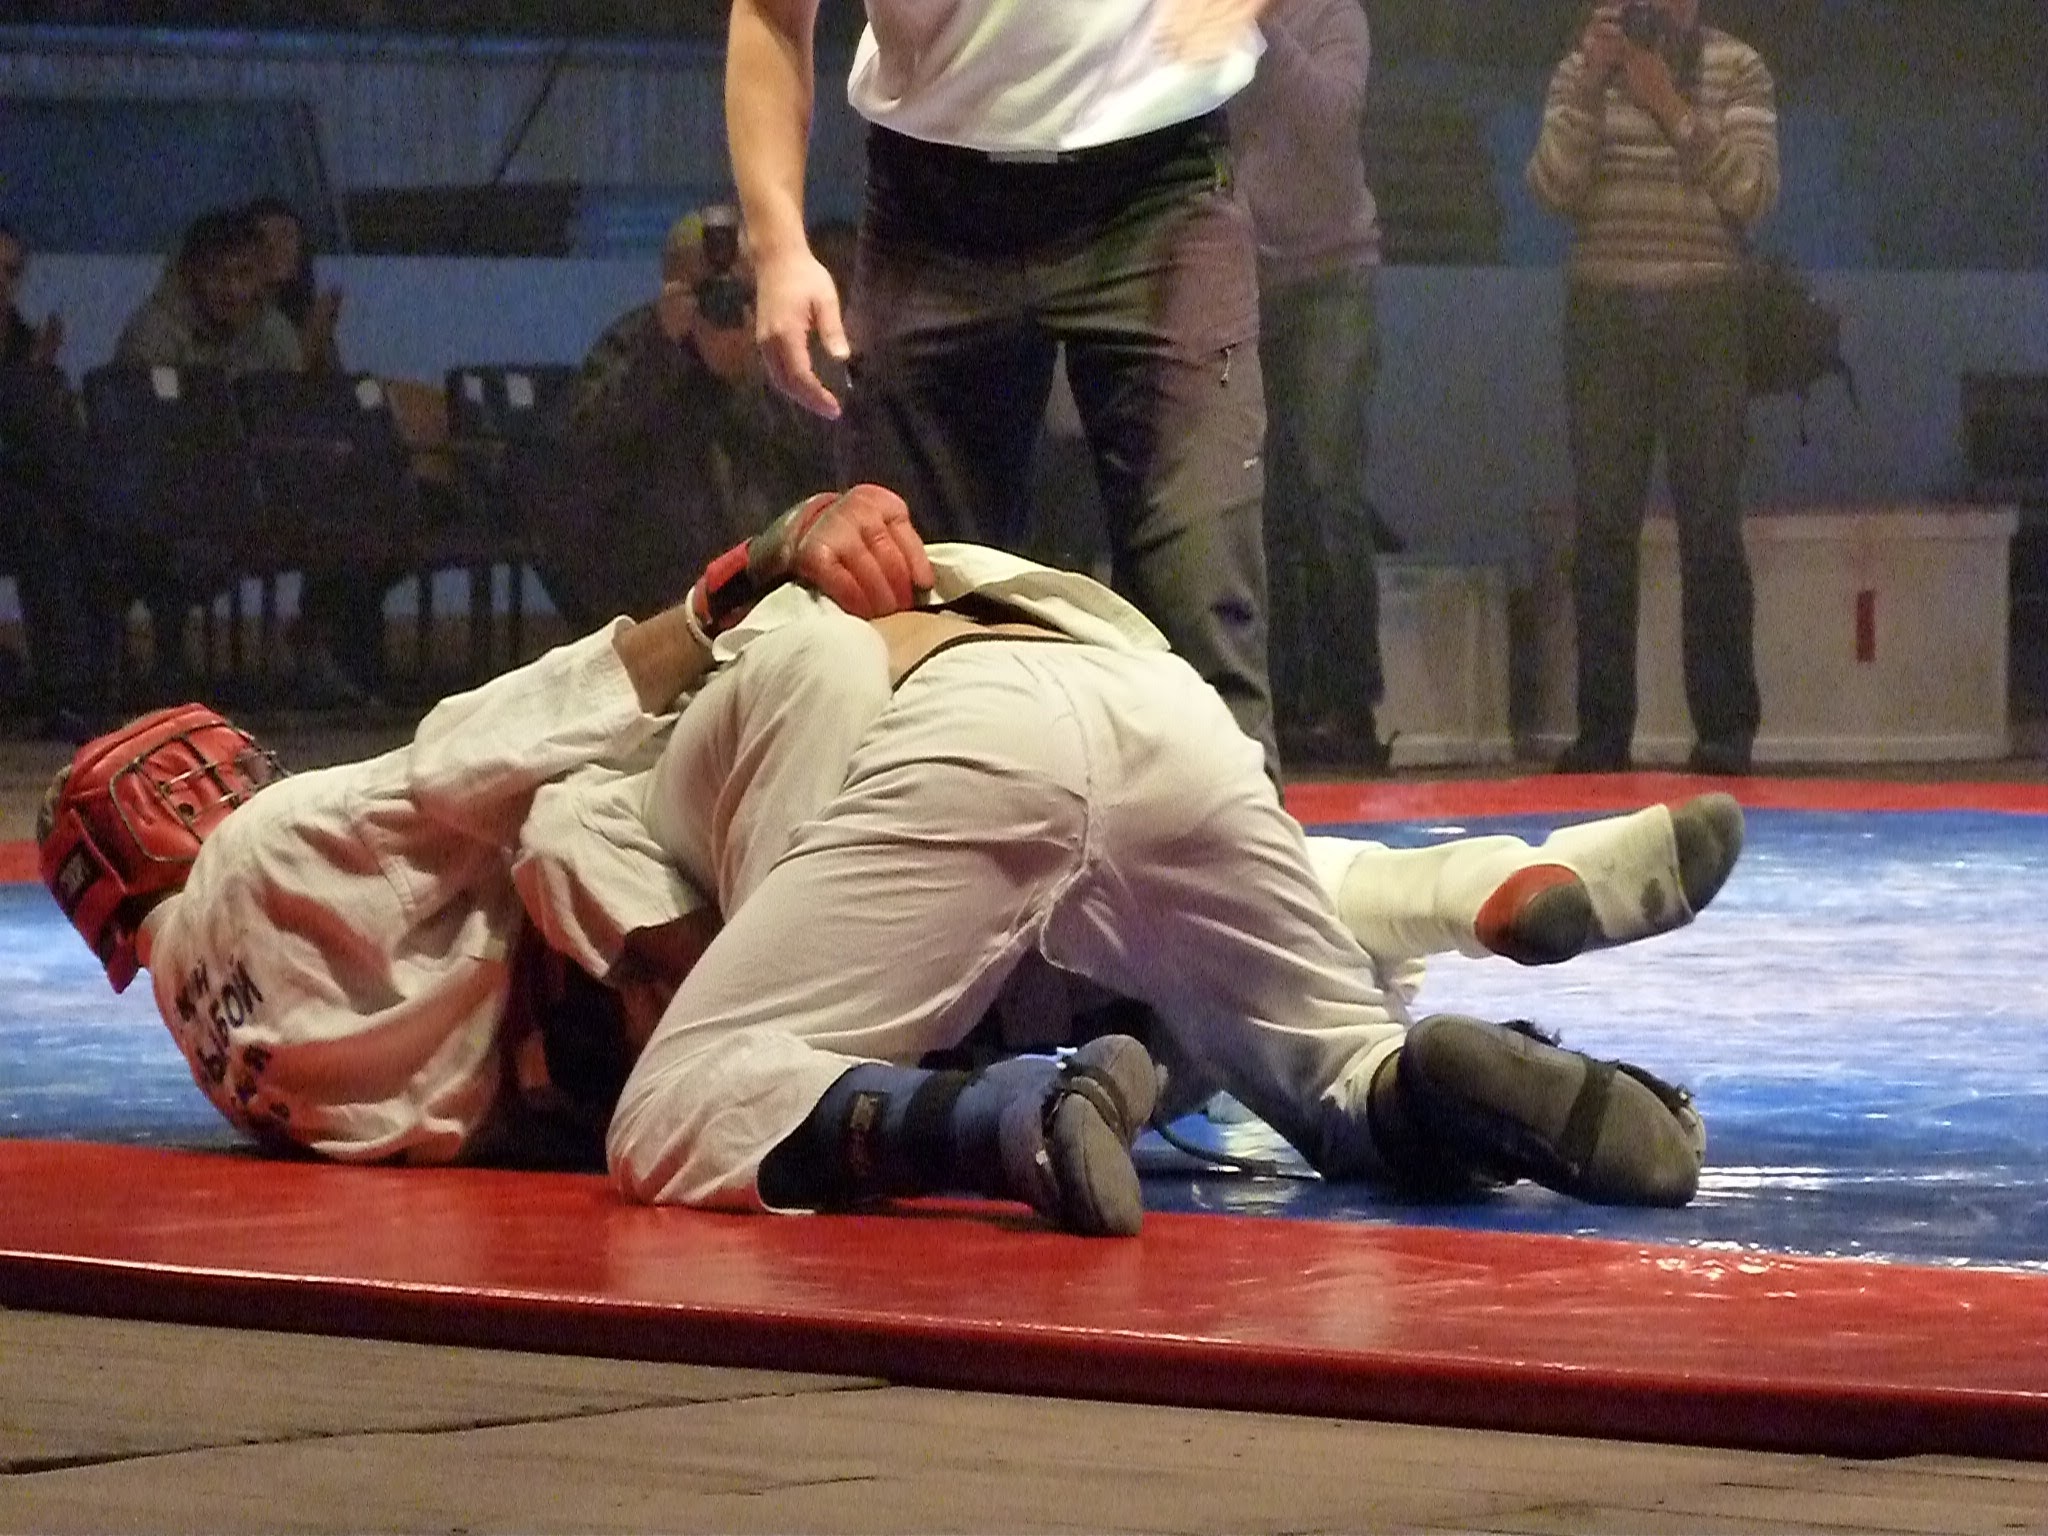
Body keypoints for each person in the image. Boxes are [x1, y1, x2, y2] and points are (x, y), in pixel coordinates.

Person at [41, 487, 1735, 1232]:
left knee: (745, 1080)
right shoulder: (282, 848)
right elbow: (500, 744)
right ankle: (1446, 951)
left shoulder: (268, 1085)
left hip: (933, 766)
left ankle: (1008, 1109)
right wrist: (741, 568)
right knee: (1315, 1068)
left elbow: (507, 1064)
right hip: (1118, 698)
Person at [726, 0, 1284, 773]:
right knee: (911, 609)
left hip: (1158, 187)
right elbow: (769, 16)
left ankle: (1230, 845)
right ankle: (919, 834)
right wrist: (778, 246)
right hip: (932, 203)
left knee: (1201, 595)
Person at [1527, 0, 1779, 776]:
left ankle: (1726, 731)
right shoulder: (1582, 70)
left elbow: (1754, 193)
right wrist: (1592, 85)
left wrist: (1670, 105)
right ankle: (1603, 732)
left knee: (1711, 522)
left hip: (1706, 305)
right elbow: (1551, 188)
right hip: (1605, 307)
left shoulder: (1737, 67)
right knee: (1603, 527)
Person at [533, 205, 836, 628]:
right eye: (706, 290)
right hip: (654, 583)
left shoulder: (779, 340)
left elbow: (828, 447)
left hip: (772, 576)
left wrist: (751, 374)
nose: (722, 304)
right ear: (671, 287)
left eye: (739, 289)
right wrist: (662, 352)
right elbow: (583, 448)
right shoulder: (638, 341)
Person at [1231, 0, 1389, 771]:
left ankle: (1349, 706)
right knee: (1264, 499)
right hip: (1247, 275)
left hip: (1333, 277)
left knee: (1328, 489)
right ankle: (1284, 706)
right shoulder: (1214, 20)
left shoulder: (1335, 15)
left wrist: (1263, 29)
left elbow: (1332, 117)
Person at [113, 208, 306, 378]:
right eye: (216, 273)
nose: (232, 288)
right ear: (191, 275)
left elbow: (293, 404)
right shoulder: (153, 337)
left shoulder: (276, 335)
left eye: (244, 273)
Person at [244, 195, 344, 374]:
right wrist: (313, 338)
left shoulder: (305, 311)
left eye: (286, 235)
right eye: (262, 238)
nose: (274, 246)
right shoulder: (239, 314)